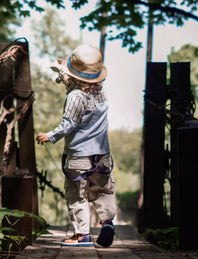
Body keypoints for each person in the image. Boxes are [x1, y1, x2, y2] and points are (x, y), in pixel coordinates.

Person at [36, 43, 117, 247]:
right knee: (103, 190)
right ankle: (107, 222)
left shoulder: (75, 96)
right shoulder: (102, 94)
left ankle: (82, 235)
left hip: (79, 158)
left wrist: (50, 136)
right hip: (103, 156)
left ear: (71, 77)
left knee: (77, 195)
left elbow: (69, 125)